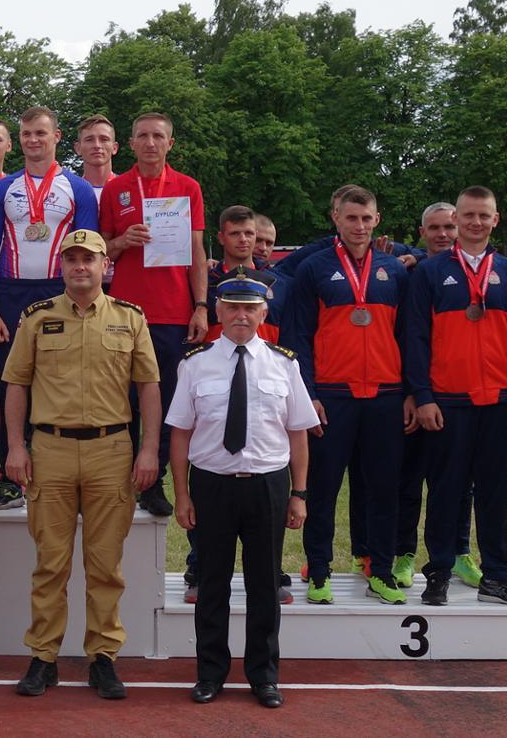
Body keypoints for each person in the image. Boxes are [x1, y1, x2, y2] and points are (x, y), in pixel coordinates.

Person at [2, 229, 159, 700]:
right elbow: (16, 385)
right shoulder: (37, 318)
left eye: (88, 259)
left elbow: (149, 387)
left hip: (111, 452)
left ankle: (103, 657)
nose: (80, 267)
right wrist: (15, 446)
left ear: (104, 266)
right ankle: (43, 656)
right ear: (62, 266)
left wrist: (148, 449)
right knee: (50, 562)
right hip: (49, 450)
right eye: (71, 259)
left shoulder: (130, 319)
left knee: (105, 564)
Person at [171, 270, 316, 710]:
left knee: (264, 585)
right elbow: (180, 434)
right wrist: (181, 494)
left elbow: (298, 434)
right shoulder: (195, 363)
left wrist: (300, 494)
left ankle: (263, 675)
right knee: (212, 584)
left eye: (249, 308)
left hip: (267, 486)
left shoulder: (284, 363)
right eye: (231, 307)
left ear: (263, 312)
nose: (240, 315)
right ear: (217, 311)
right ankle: (210, 673)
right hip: (212, 485)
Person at [402, 187, 507, 607]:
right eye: (468, 215)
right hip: (447, 401)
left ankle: (496, 575)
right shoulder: (429, 271)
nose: (475, 222)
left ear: (496, 219)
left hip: (500, 401)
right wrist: (423, 395)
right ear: (456, 220)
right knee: (445, 490)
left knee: (495, 493)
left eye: (484, 215)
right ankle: (439, 571)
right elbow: (416, 338)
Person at [280, 185, 410, 605]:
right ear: (335, 217)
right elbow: (296, 336)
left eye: (366, 218)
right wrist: (308, 394)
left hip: (386, 395)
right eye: (351, 218)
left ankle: (382, 569)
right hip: (333, 396)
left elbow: (410, 338)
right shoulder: (314, 269)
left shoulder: (395, 270)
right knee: (323, 487)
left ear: (377, 220)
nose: (359, 226)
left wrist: (410, 392)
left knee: (383, 488)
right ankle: (319, 571)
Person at [0, 106, 100, 513]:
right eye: (27, 133)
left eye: (41, 133)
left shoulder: (78, 189)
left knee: (56, 383)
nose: (33, 140)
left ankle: (52, 474)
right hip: (11, 293)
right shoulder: (4, 189)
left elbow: (87, 255)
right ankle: (7, 475)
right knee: (7, 384)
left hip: (57, 293)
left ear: (56, 137)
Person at [100, 112, 210, 518]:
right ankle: (121, 479)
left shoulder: (187, 188)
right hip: (124, 311)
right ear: (130, 144)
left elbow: (197, 252)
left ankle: (154, 480)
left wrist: (200, 305)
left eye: (157, 136)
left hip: (172, 311)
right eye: (142, 135)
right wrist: (121, 241)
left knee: (164, 402)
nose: (150, 143)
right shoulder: (117, 189)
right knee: (122, 401)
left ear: (170, 143)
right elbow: (101, 251)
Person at [395, 201, 474, 588]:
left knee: (460, 483)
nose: (443, 234)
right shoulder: (408, 272)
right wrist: (413, 392)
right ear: (422, 232)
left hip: (457, 397)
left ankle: (459, 552)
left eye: (449, 227)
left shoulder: (477, 273)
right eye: (435, 228)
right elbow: (408, 340)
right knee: (408, 480)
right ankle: (404, 554)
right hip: (415, 395)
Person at [74, 115, 119, 189]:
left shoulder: (129, 188)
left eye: (104, 139)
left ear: (114, 148)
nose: (97, 145)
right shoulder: (70, 191)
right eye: (89, 140)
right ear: (78, 148)